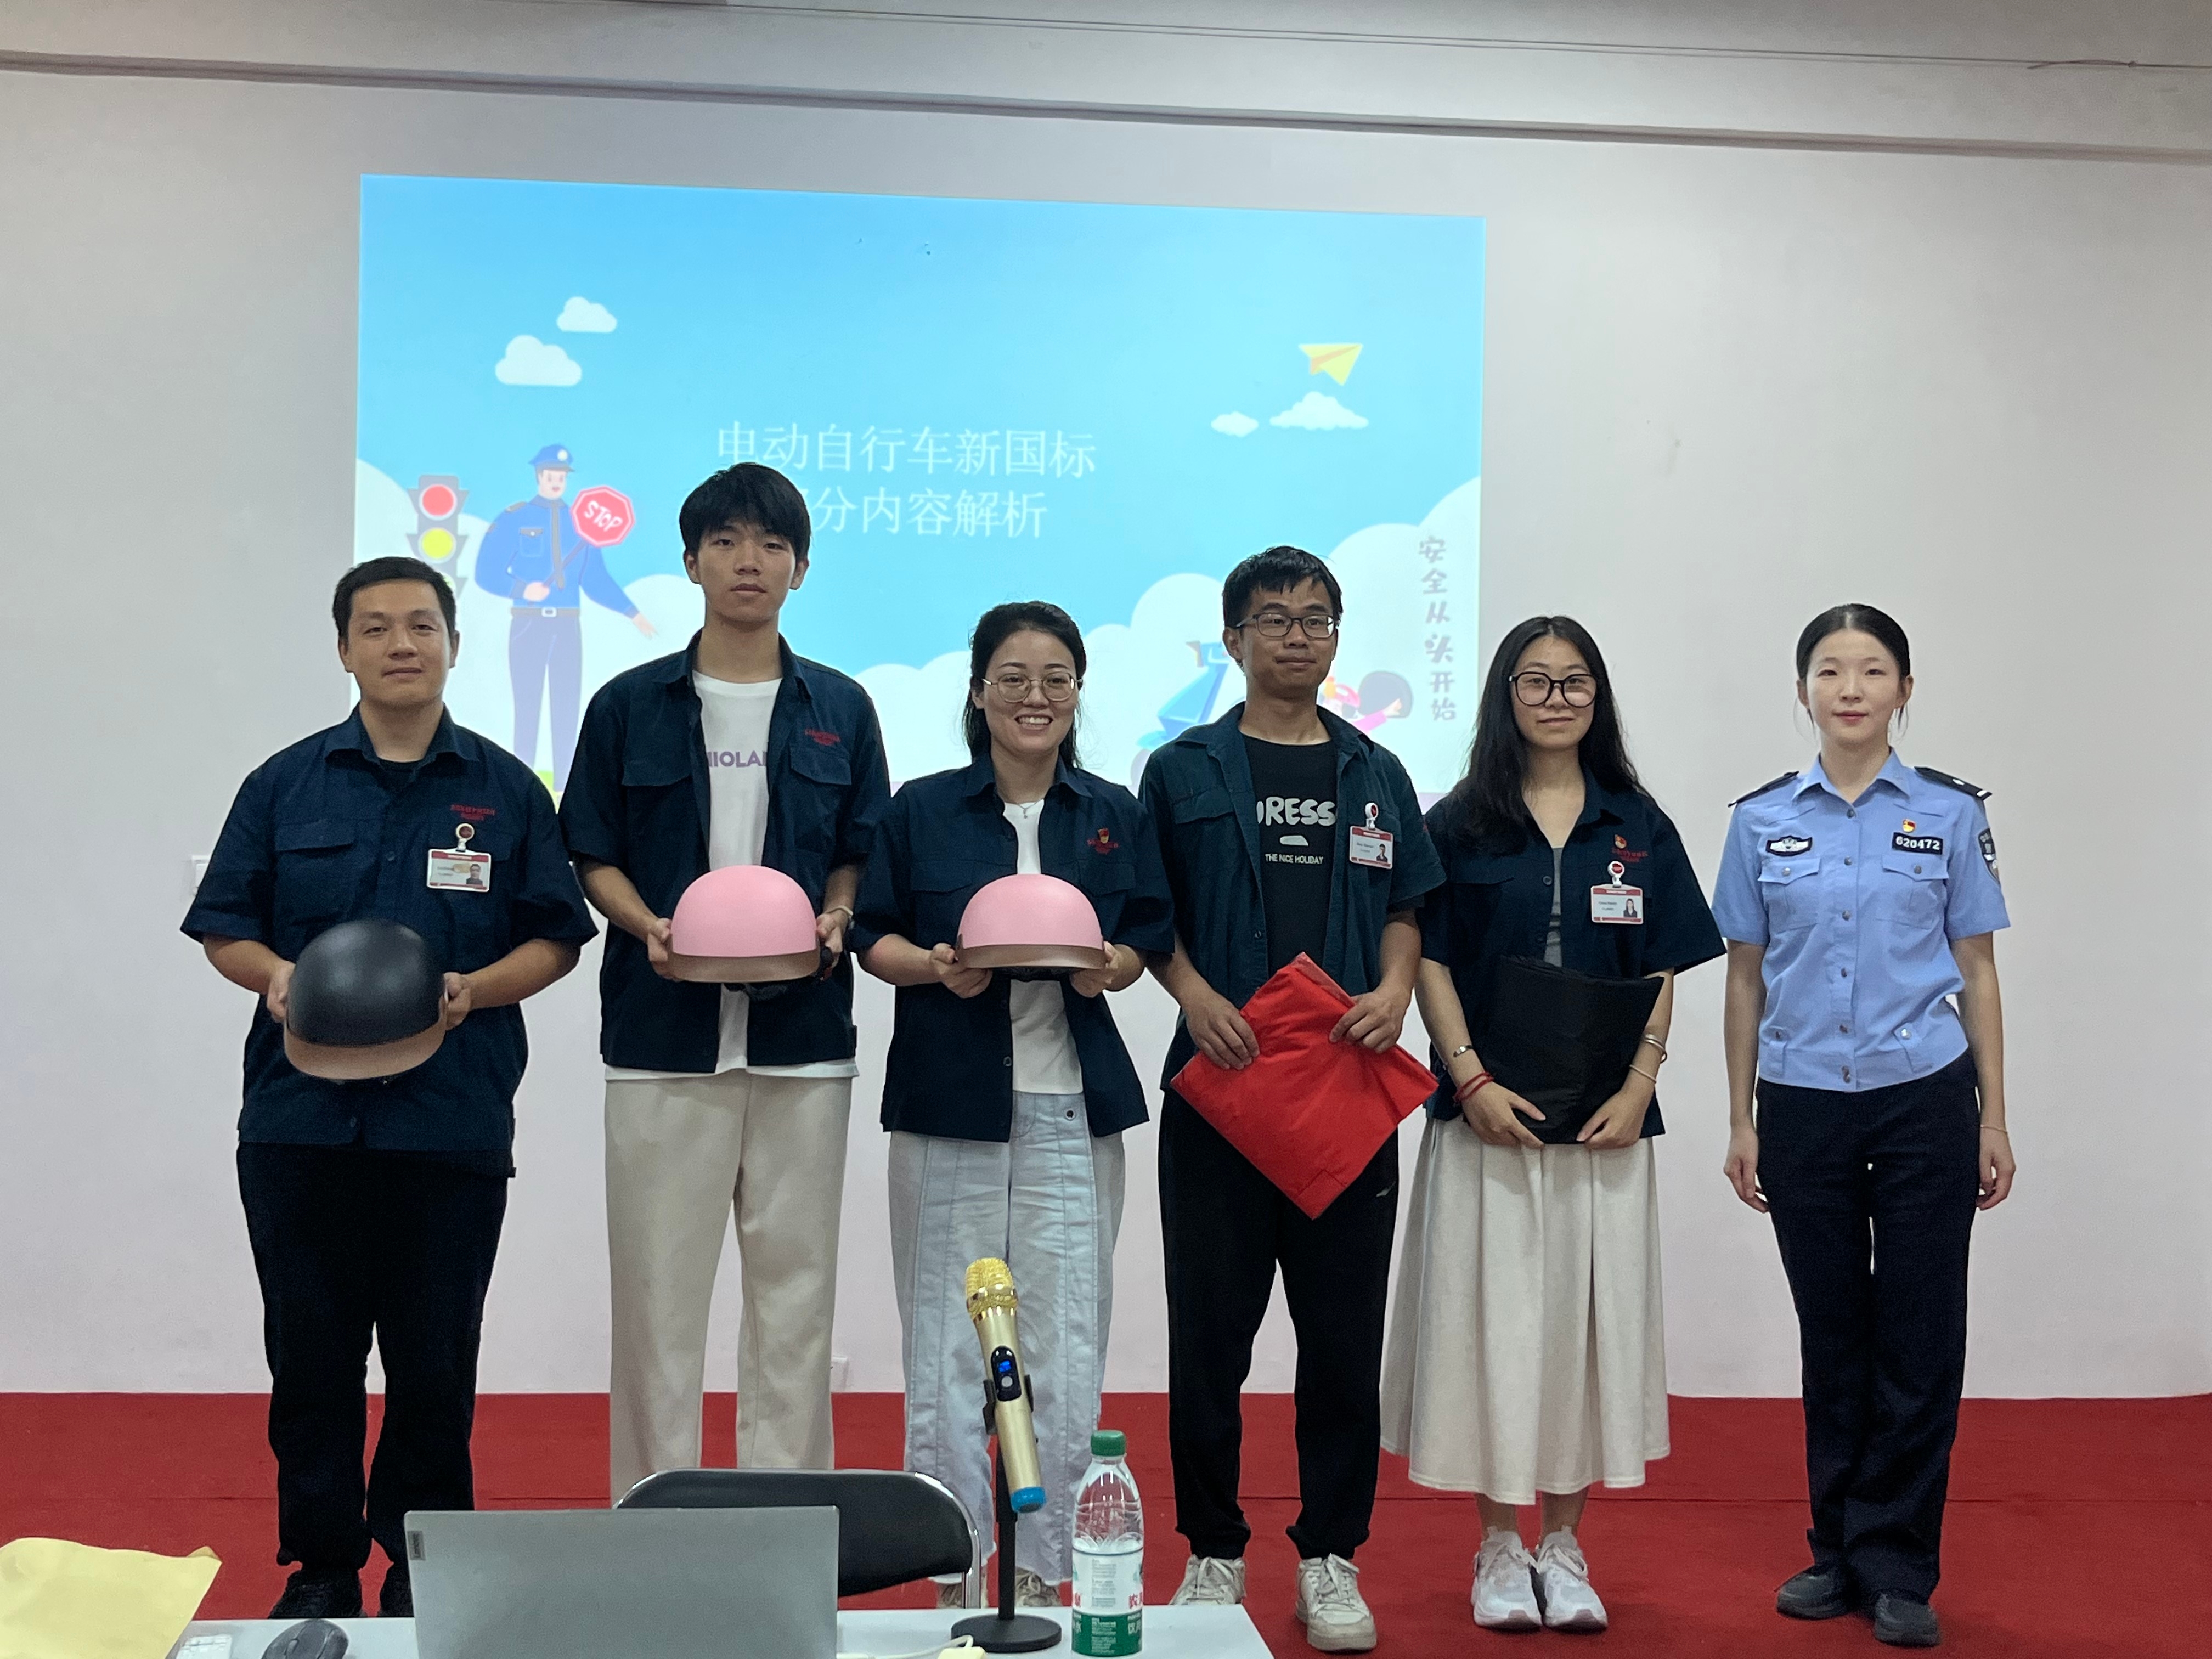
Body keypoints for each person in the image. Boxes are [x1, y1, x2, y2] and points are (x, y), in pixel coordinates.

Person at [183, 556, 595, 1620]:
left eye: (421, 624)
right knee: (310, 1356)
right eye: (376, 627)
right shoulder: (284, 784)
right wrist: (276, 976)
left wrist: (472, 991)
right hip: (300, 1123)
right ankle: (320, 1565)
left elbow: (556, 937)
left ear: (455, 644)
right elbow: (224, 924)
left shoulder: (508, 790)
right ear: (344, 649)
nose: (401, 644)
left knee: (434, 1362)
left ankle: (424, 1562)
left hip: (448, 1123)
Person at [1379, 616, 1723, 1632]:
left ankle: (1564, 1545)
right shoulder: (1460, 823)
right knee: (1488, 1326)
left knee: (1585, 1328)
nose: (1556, 699)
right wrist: (1469, 1077)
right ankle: (1496, 1543)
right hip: (1487, 1112)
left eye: (1574, 682)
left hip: (1604, 1117)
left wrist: (1641, 1081)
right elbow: (1431, 958)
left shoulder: (1637, 822)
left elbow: (1663, 963)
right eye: (1535, 681)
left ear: (1597, 696)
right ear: (1505, 696)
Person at [558, 463, 890, 1500]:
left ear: (800, 568)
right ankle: (653, 1521)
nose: (751, 561)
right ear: (691, 559)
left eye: (772, 544)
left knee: (796, 1299)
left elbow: (859, 848)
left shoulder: (841, 706)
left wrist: (837, 914)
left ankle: (784, 1525)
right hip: (661, 1038)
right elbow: (591, 849)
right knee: (656, 1303)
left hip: (804, 1040)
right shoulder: (628, 706)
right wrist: (646, 924)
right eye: (728, 541)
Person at [1141, 545, 1444, 1655]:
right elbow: (1148, 912)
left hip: (1343, 1102)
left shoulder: (1376, 770)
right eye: (1273, 618)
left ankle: (1330, 1555)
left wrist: (1395, 990)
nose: (1297, 636)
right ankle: (1213, 1550)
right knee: (1208, 1338)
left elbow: (1408, 905)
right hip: (1221, 1094)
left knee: (1342, 1340)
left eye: (1317, 618)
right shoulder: (1182, 769)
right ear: (1233, 639)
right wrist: (1194, 995)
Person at [851, 601, 1174, 1607]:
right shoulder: (921, 809)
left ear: (1078, 693)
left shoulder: (1112, 809)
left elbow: (1147, 934)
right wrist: (934, 966)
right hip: (948, 1108)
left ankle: (1047, 1572)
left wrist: (1111, 967)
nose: (1035, 696)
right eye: (1013, 677)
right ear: (978, 691)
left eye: (1056, 678)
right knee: (947, 1347)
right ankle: (955, 1570)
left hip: (1072, 1108)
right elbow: (873, 936)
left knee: (1063, 1346)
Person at [1713, 603, 2015, 1650]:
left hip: (1924, 1093)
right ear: (1802, 691)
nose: (1850, 688)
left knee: (1920, 1334)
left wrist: (1993, 1113)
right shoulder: (1759, 819)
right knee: (1833, 1330)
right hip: (1800, 1101)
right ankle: (1836, 1547)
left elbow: (1976, 969)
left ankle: (1897, 1562)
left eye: (1873, 669)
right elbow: (1743, 978)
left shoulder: (1948, 812)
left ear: (1904, 689)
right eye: (1830, 670)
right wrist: (1741, 1115)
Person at [477, 443, 656, 791]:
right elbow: (487, 571)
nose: (556, 480)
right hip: (529, 622)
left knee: (567, 709)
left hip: (567, 626)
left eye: (562, 475)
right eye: (550, 474)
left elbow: (596, 580)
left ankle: (566, 789)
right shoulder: (515, 518)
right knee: (527, 708)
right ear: (538, 475)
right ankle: (520, 788)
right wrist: (521, 589)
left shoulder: (582, 525)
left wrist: (632, 613)